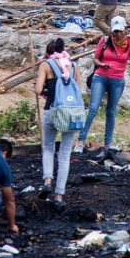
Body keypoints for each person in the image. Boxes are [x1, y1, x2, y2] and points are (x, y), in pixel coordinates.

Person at [74, 16, 130, 153]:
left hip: (117, 80)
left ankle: (108, 143)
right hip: (100, 77)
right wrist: (102, 64)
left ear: (125, 30)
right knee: (93, 108)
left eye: (120, 31)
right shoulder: (105, 41)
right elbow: (96, 59)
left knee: (111, 112)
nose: (117, 34)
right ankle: (81, 141)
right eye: (115, 31)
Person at [35, 38, 82, 208]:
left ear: (50, 52)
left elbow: (38, 90)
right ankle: (59, 195)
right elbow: (77, 90)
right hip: (71, 113)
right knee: (64, 154)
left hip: (52, 111)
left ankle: (48, 180)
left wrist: (46, 90)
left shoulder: (46, 65)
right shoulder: (74, 66)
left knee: (48, 147)